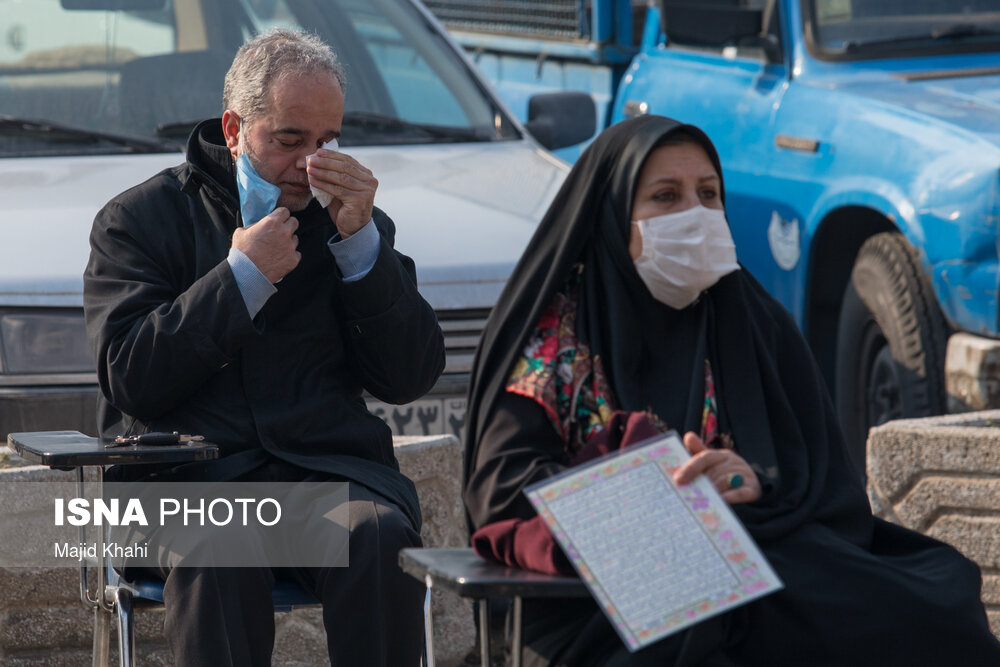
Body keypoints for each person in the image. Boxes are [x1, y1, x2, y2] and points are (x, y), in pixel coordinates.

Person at [463, 115, 1000, 666]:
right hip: (600, 596)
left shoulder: (749, 318)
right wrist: (645, 482)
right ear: (612, 213)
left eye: (708, 195)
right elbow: (502, 489)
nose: (694, 216)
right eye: (666, 197)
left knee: (936, 596)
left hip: (755, 557)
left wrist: (752, 482)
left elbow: (825, 488)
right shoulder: (554, 336)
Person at [83, 29, 444, 666]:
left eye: (328, 140)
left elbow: (408, 376)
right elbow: (131, 378)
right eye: (290, 140)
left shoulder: (352, 221)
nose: (312, 162)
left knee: (380, 537)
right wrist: (240, 280)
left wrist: (363, 252)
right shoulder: (139, 219)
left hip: (324, 480)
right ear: (234, 128)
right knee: (220, 546)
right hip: (191, 488)